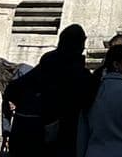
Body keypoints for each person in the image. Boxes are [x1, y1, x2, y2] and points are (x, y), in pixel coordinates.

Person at [5, 26, 91, 157]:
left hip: (37, 131)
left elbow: (12, 89)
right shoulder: (77, 72)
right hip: (64, 135)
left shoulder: (47, 64)